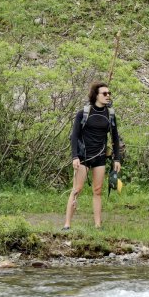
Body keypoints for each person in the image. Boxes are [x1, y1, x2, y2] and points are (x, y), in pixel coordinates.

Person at [63, 82, 122, 230]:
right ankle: (67, 225)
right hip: (83, 156)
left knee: (97, 190)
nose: (108, 96)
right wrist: (74, 157)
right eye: (104, 93)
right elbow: (74, 136)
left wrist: (117, 159)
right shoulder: (83, 113)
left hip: (100, 157)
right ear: (96, 95)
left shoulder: (111, 114)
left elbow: (115, 138)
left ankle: (97, 225)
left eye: (109, 93)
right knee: (77, 189)